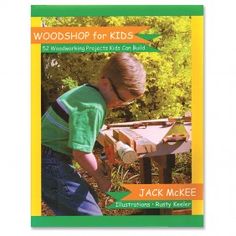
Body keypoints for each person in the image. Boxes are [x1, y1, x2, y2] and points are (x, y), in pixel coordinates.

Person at [41, 53, 146, 215]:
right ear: (105, 83)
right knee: (90, 217)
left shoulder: (87, 92)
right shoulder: (93, 107)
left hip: (46, 156)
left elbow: (83, 126)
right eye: (121, 98)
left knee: (89, 202)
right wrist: (101, 178)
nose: (121, 105)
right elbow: (81, 153)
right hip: (48, 162)